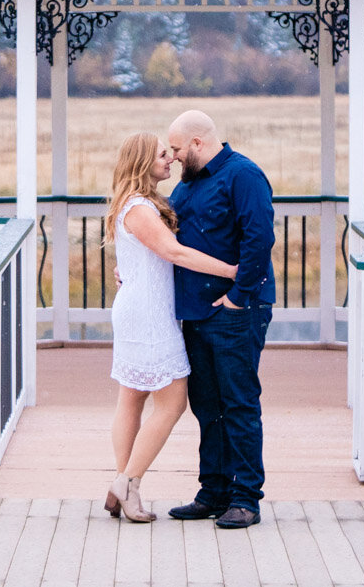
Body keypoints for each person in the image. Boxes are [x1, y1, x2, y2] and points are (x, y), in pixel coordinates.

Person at [105, 132, 238, 523]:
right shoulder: (141, 208)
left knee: (131, 397)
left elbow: (144, 258)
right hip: (148, 316)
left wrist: (124, 270)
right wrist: (231, 270)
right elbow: (174, 252)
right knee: (173, 402)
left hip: (136, 307)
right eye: (163, 155)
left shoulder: (135, 204)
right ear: (144, 162)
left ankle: (121, 483)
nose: (171, 160)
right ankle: (128, 482)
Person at [165, 110, 275, 530]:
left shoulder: (242, 176)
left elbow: (259, 238)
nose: (172, 157)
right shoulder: (188, 184)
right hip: (196, 313)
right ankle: (213, 491)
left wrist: (238, 297)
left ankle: (246, 498)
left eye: (176, 148)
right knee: (207, 405)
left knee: (239, 402)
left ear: (196, 143)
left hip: (235, 311)